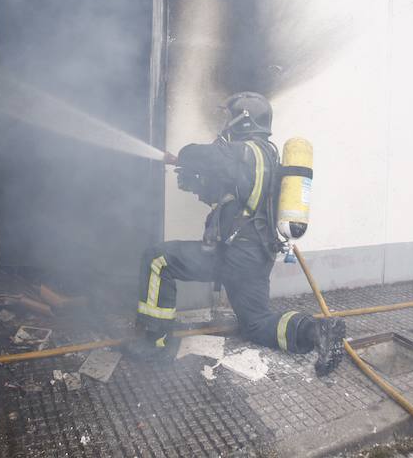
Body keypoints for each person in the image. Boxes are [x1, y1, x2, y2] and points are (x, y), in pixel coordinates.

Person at [128, 92, 345, 375]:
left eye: (229, 118)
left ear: (244, 120)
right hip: (257, 257)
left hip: (234, 255)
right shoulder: (269, 154)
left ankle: (154, 342)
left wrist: (181, 157)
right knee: (256, 323)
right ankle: (315, 330)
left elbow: (197, 154)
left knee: (158, 258)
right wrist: (203, 189)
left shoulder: (243, 152)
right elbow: (242, 200)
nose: (226, 124)